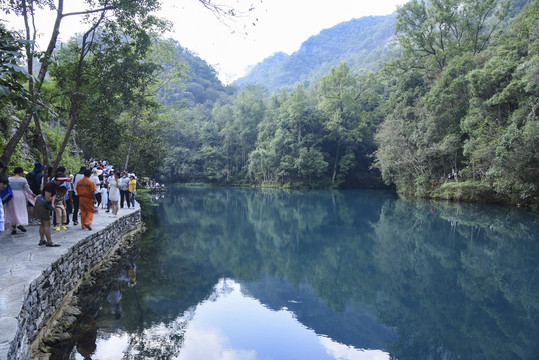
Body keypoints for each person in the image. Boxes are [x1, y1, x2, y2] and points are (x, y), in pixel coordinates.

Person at [35, 172, 68, 247]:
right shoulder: (50, 186)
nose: (62, 182)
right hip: (41, 204)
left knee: (43, 223)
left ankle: (42, 240)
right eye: (62, 181)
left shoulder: (55, 185)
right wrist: (58, 198)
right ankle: (49, 241)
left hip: (43, 204)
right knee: (47, 223)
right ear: (58, 180)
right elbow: (47, 198)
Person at [5, 167, 36, 235]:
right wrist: (32, 194)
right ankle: (20, 223)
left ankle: (14, 228)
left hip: (11, 196)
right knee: (20, 210)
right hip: (20, 196)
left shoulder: (9, 179)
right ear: (21, 172)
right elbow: (27, 189)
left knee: (12, 211)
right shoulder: (23, 179)